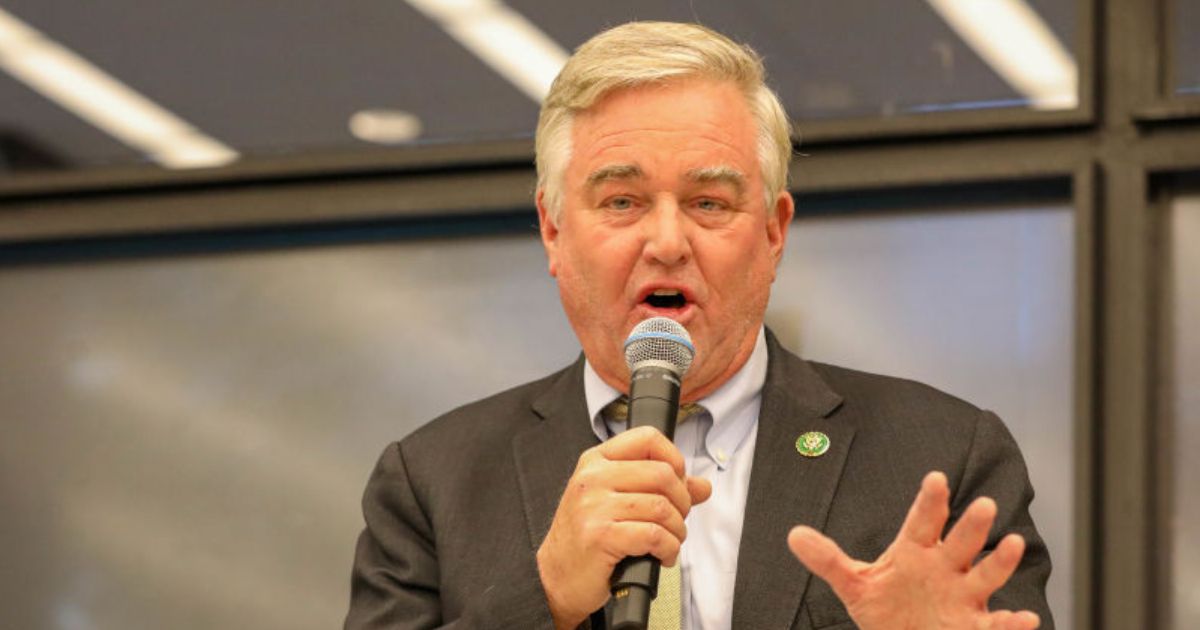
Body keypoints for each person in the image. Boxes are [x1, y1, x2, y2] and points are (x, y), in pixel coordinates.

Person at [345, 21, 1053, 630]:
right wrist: (546, 600)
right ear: (553, 230)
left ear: (774, 233)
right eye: (621, 201)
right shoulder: (431, 483)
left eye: (709, 202)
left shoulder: (942, 457)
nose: (666, 240)